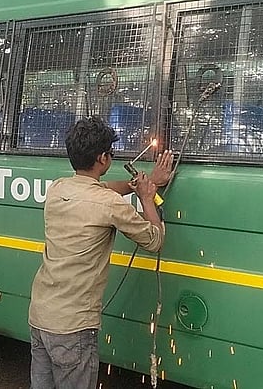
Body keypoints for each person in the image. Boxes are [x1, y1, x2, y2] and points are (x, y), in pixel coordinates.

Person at [28, 117, 174, 389]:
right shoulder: (107, 204)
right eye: (111, 154)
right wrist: (147, 196)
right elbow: (155, 240)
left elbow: (99, 189)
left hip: (40, 317)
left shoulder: (58, 187)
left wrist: (143, 183)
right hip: (73, 327)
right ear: (103, 158)